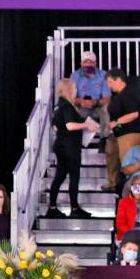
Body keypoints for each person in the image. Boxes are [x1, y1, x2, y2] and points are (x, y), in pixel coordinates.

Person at [47, 79, 97, 219]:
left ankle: (52, 207)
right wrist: (86, 126)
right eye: (74, 88)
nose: (76, 90)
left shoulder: (58, 105)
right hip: (70, 146)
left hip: (61, 145)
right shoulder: (67, 106)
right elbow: (70, 125)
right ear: (68, 89)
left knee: (59, 176)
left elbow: (55, 126)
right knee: (74, 177)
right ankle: (74, 208)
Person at [104, 69, 140, 193]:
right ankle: (113, 183)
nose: (108, 85)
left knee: (128, 162)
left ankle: (132, 188)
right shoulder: (117, 95)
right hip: (117, 133)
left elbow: (134, 114)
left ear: (119, 80)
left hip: (130, 133)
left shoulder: (129, 93)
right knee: (111, 155)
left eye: (110, 82)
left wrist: (117, 122)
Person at [71, 49, 111, 144]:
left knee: (107, 107)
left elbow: (107, 98)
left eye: (91, 62)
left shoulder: (103, 75)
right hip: (82, 108)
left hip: (98, 108)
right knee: (71, 107)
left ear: (95, 63)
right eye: (85, 62)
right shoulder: (75, 76)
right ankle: (75, 139)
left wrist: (95, 102)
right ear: (81, 63)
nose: (88, 65)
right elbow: (70, 98)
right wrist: (80, 101)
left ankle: (104, 140)